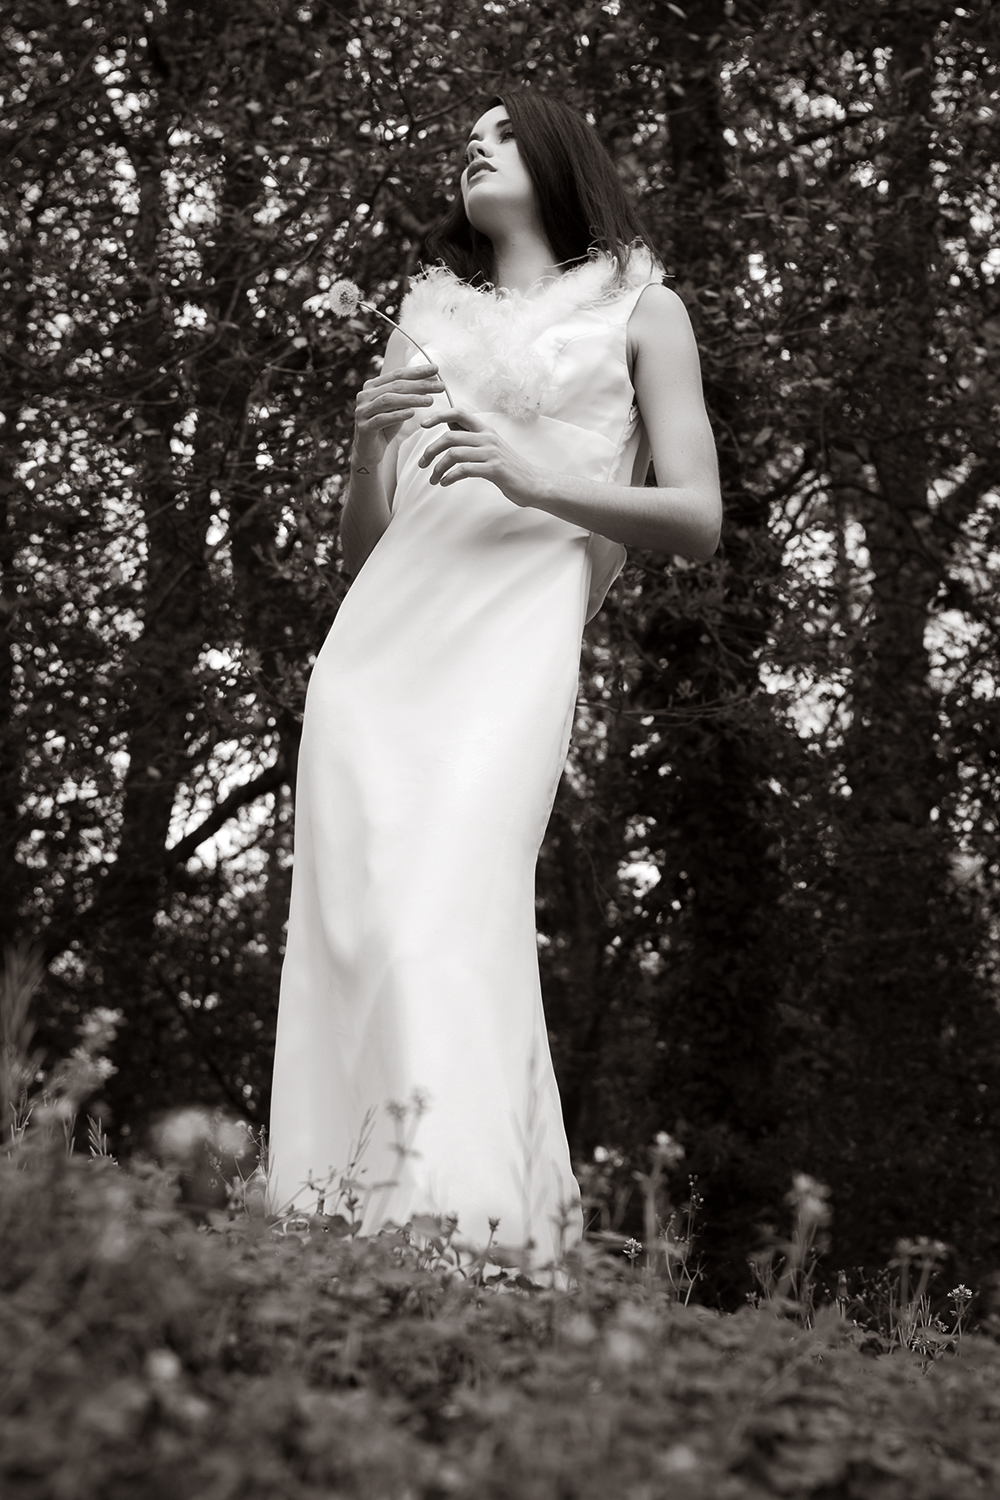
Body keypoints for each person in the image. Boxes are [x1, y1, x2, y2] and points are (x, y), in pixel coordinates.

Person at [267, 91, 721, 1263]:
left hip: (508, 658)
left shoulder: (644, 309)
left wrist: (531, 479)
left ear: (562, 157)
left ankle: (469, 1248)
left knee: (445, 922)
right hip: (374, 668)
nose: (475, 146)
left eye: (504, 133)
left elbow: (696, 517)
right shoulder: (424, 316)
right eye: (467, 139)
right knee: (360, 936)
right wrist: (367, 450)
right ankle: (334, 1229)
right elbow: (370, 552)